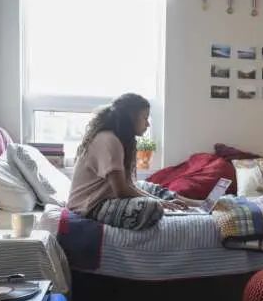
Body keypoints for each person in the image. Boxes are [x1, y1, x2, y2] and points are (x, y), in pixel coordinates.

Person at [67, 93, 202, 230]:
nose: (148, 124)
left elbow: (128, 185)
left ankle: (198, 205)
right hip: (89, 207)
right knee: (153, 207)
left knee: (147, 187)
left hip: (104, 199)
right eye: (145, 118)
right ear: (131, 117)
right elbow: (121, 190)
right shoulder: (108, 140)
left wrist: (161, 200)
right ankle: (176, 204)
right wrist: (159, 202)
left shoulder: (118, 140)